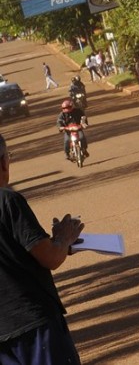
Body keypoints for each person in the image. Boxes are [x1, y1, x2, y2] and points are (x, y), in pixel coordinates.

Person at [0, 133, 83, 364]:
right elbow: (49, 258)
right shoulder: (8, 201)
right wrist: (64, 239)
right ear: (4, 162)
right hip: (32, 325)